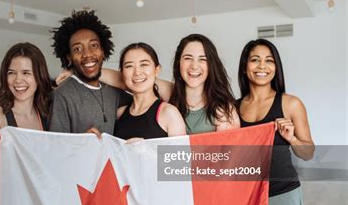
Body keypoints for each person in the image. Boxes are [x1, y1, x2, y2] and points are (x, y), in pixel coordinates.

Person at [237, 39, 314, 205]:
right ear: (245, 66)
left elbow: (308, 152)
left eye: (269, 61)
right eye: (255, 60)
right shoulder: (233, 107)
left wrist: (291, 138)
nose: (262, 66)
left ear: (276, 67)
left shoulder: (291, 104)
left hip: (283, 195)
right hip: (247, 200)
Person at [70, 34, 239, 134]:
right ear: (178, 63)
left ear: (211, 65)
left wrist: (146, 149)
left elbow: (227, 161)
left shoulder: (223, 110)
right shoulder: (172, 93)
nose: (194, 66)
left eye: (202, 59)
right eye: (188, 58)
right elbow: (130, 80)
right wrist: (79, 71)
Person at [49, 10, 131, 134]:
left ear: (103, 51)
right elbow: (56, 146)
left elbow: (143, 96)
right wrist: (82, 141)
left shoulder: (113, 91)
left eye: (94, 45)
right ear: (69, 58)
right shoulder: (62, 95)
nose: (87, 54)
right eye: (78, 49)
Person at [114, 43, 186, 139]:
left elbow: (183, 154)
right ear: (122, 73)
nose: (137, 72)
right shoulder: (119, 114)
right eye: (129, 66)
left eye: (144, 64)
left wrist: (147, 149)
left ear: (157, 70)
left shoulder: (169, 113)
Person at [0, 43, 52, 138]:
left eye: (26, 73)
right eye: (11, 73)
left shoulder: (47, 115)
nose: (18, 80)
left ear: (40, 76)